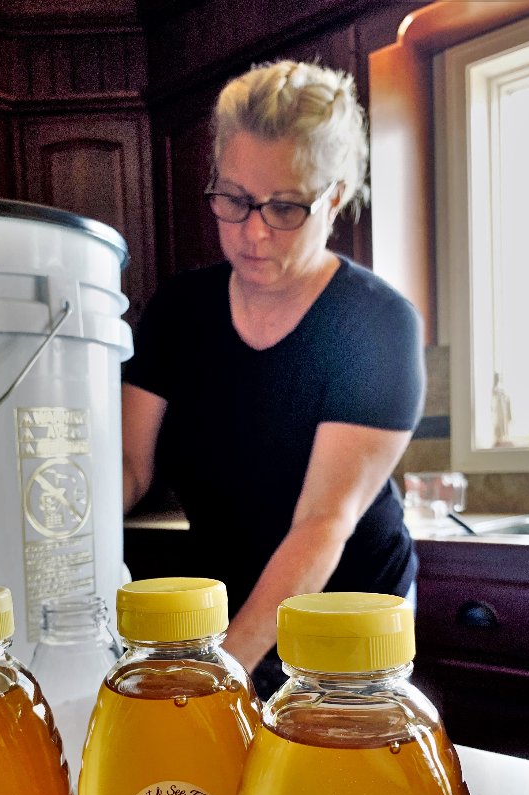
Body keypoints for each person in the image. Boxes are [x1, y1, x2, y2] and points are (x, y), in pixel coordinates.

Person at [122, 59, 424, 698]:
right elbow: (128, 466)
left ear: (335, 197)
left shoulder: (377, 324)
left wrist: (225, 673)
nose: (252, 232)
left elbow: (322, 521)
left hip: (346, 616)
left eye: (286, 206)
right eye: (233, 199)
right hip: (220, 604)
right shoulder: (180, 311)